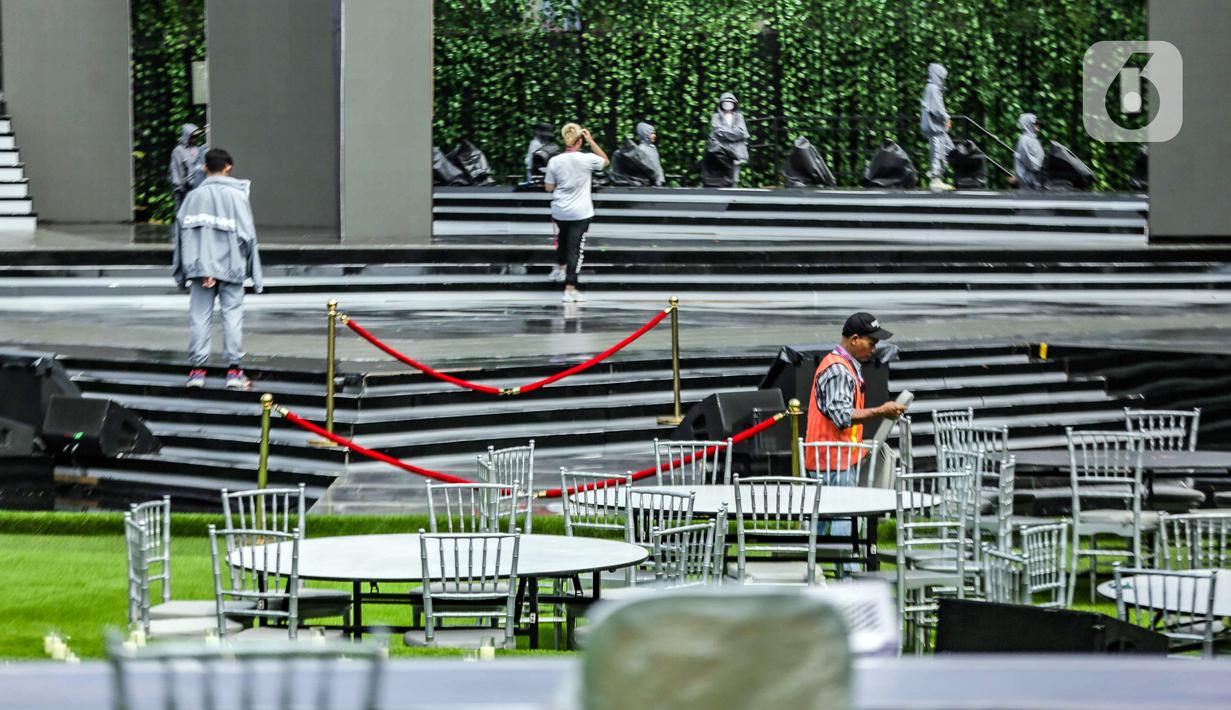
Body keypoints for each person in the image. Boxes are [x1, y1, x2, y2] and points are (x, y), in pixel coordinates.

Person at [172, 149, 264, 390]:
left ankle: (197, 371)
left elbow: (183, 235)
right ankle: (234, 371)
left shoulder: (193, 197)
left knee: (199, 318)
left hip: (199, 269)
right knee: (232, 316)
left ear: (204, 168)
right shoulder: (237, 197)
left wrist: (192, 270)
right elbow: (247, 236)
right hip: (231, 267)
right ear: (228, 167)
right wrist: (254, 273)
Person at [806, 312, 908, 477]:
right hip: (833, 466)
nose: (874, 350)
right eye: (871, 343)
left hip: (836, 463)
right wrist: (881, 411)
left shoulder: (844, 365)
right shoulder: (839, 370)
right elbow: (842, 416)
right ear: (854, 339)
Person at [544, 123, 608, 302]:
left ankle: (560, 269)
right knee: (575, 249)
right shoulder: (587, 159)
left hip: (560, 211)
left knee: (563, 241)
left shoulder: (554, 161)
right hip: (580, 212)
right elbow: (605, 160)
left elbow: (549, 187)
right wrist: (592, 141)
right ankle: (570, 288)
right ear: (580, 140)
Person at [919, 63, 956, 192]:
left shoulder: (932, 88)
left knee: (945, 148)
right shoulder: (933, 88)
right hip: (935, 128)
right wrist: (946, 118)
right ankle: (936, 179)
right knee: (937, 151)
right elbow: (937, 108)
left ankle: (938, 177)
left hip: (936, 128)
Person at [708, 92, 749, 185]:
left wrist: (725, 133)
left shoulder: (739, 117)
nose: (727, 104)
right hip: (721, 150)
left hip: (737, 149)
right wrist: (733, 133)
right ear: (721, 104)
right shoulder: (716, 117)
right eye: (725, 102)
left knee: (735, 176)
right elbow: (717, 132)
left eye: (730, 102)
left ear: (734, 104)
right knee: (722, 173)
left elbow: (742, 132)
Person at [168, 123, 206, 212]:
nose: (195, 139)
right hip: (185, 191)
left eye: (196, 136)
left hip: (198, 189)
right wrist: (181, 190)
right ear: (187, 136)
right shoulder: (178, 151)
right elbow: (176, 172)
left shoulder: (199, 150)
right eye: (192, 136)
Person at [1013, 113, 1045, 190]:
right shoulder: (1024, 140)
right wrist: (1040, 167)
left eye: (1038, 123)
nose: (1038, 125)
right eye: (1035, 123)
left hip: (1035, 181)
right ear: (1028, 124)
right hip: (1028, 182)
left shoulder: (1034, 139)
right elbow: (1027, 160)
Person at [635, 122, 665, 187]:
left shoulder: (653, 148)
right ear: (645, 134)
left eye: (654, 133)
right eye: (651, 133)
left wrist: (661, 179)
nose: (654, 136)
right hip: (648, 184)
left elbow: (657, 165)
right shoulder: (641, 149)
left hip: (657, 182)